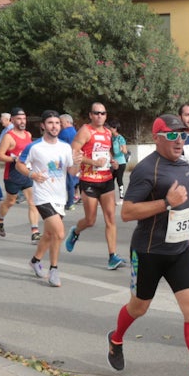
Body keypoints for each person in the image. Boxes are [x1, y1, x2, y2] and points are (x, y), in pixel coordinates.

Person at [107, 114, 189, 376]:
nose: (179, 140)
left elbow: (186, 201)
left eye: (182, 134)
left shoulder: (183, 163)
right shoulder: (147, 170)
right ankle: (116, 338)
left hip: (179, 249)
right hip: (149, 251)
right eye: (172, 135)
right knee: (139, 307)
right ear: (157, 137)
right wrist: (166, 203)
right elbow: (127, 212)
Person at [64, 101, 128, 270]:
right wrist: (93, 162)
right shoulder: (85, 131)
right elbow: (74, 153)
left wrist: (112, 161)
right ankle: (76, 232)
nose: (100, 116)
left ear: (106, 115)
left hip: (106, 179)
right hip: (89, 179)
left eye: (103, 113)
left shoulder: (108, 133)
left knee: (110, 219)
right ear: (91, 115)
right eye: (96, 113)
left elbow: (106, 152)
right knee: (90, 220)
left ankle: (112, 256)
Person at [24, 113, 72, 287]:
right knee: (59, 233)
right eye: (50, 123)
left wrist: (79, 163)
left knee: (50, 234)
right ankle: (54, 270)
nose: (54, 126)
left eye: (57, 123)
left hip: (60, 196)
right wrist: (32, 174)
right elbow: (19, 164)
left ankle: (35, 260)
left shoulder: (65, 147)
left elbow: (72, 172)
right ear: (43, 125)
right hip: (42, 196)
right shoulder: (35, 147)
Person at [0, 110, 37, 238]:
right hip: (12, 175)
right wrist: (14, 159)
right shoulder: (9, 136)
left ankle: (35, 232)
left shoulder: (28, 134)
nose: (22, 121)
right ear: (12, 120)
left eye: (24, 118)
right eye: (19, 119)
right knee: (10, 201)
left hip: (26, 172)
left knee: (32, 202)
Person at [58, 111, 78, 209]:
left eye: (61, 122)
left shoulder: (63, 133)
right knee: (73, 181)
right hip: (75, 159)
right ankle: (72, 200)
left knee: (67, 182)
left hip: (66, 160)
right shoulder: (75, 131)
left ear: (67, 122)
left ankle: (70, 203)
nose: (59, 124)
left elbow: (58, 145)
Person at [109, 119, 129, 199]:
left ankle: (121, 197)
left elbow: (125, 150)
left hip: (120, 162)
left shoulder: (120, 138)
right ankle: (110, 198)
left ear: (115, 128)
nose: (110, 129)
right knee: (110, 180)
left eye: (111, 128)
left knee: (119, 179)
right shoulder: (111, 138)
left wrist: (121, 149)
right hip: (112, 162)